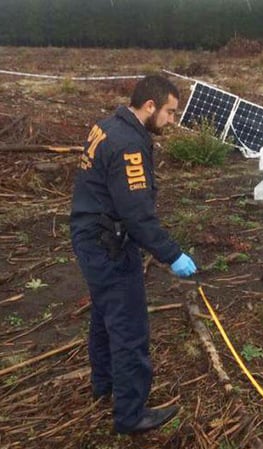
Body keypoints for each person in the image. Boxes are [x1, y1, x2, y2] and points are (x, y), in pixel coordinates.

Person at [70, 75, 197, 434]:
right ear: (150, 106)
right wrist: (173, 255)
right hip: (107, 245)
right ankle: (130, 415)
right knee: (129, 329)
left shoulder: (108, 124)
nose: (172, 122)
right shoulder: (128, 144)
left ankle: (104, 384)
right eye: (170, 113)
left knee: (104, 314)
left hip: (89, 234)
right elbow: (137, 214)